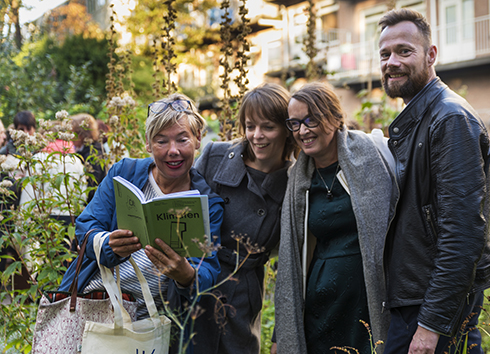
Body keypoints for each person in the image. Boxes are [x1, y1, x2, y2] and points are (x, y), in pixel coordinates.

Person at [378, 8, 490, 354]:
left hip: (430, 305)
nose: (392, 62)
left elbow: (464, 232)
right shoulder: (422, 116)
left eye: (405, 51)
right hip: (418, 296)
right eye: (385, 54)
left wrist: (431, 325)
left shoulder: (449, 117)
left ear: (431, 54)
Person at [58, 93, 224, 354]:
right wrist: (107, 242)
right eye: (161, 141)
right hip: (96, 303)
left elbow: (209, 269)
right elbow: (86, 226)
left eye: (182, 139)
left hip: (152, 320)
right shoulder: (124, 173)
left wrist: (186, 274)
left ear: (198, 139)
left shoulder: (207, 203)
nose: (173, 150)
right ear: (148, 143)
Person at [275, 82, 394, 354]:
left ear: (335, 117)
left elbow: (424, 161)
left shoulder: (373, 153)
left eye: (311, 120)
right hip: (321, 306)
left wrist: (482, 149)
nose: (302, 131)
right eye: (294, 124)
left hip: (368, 299)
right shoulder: (298, 178)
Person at [193, 83, 295, 354]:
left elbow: (291, 266)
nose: (257, 136)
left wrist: (280, 334)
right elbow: (181, 208)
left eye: (268, 127)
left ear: (287, 128)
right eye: (250, 126)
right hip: (194, 278)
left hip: (242, 291)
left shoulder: (294, 182)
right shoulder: (215, 156)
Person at [71, 113, 107, 201]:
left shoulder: (93, 154)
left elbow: (93, 186)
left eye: (73, 133)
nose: (71, 137)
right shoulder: (82, 151)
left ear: (81, 134)